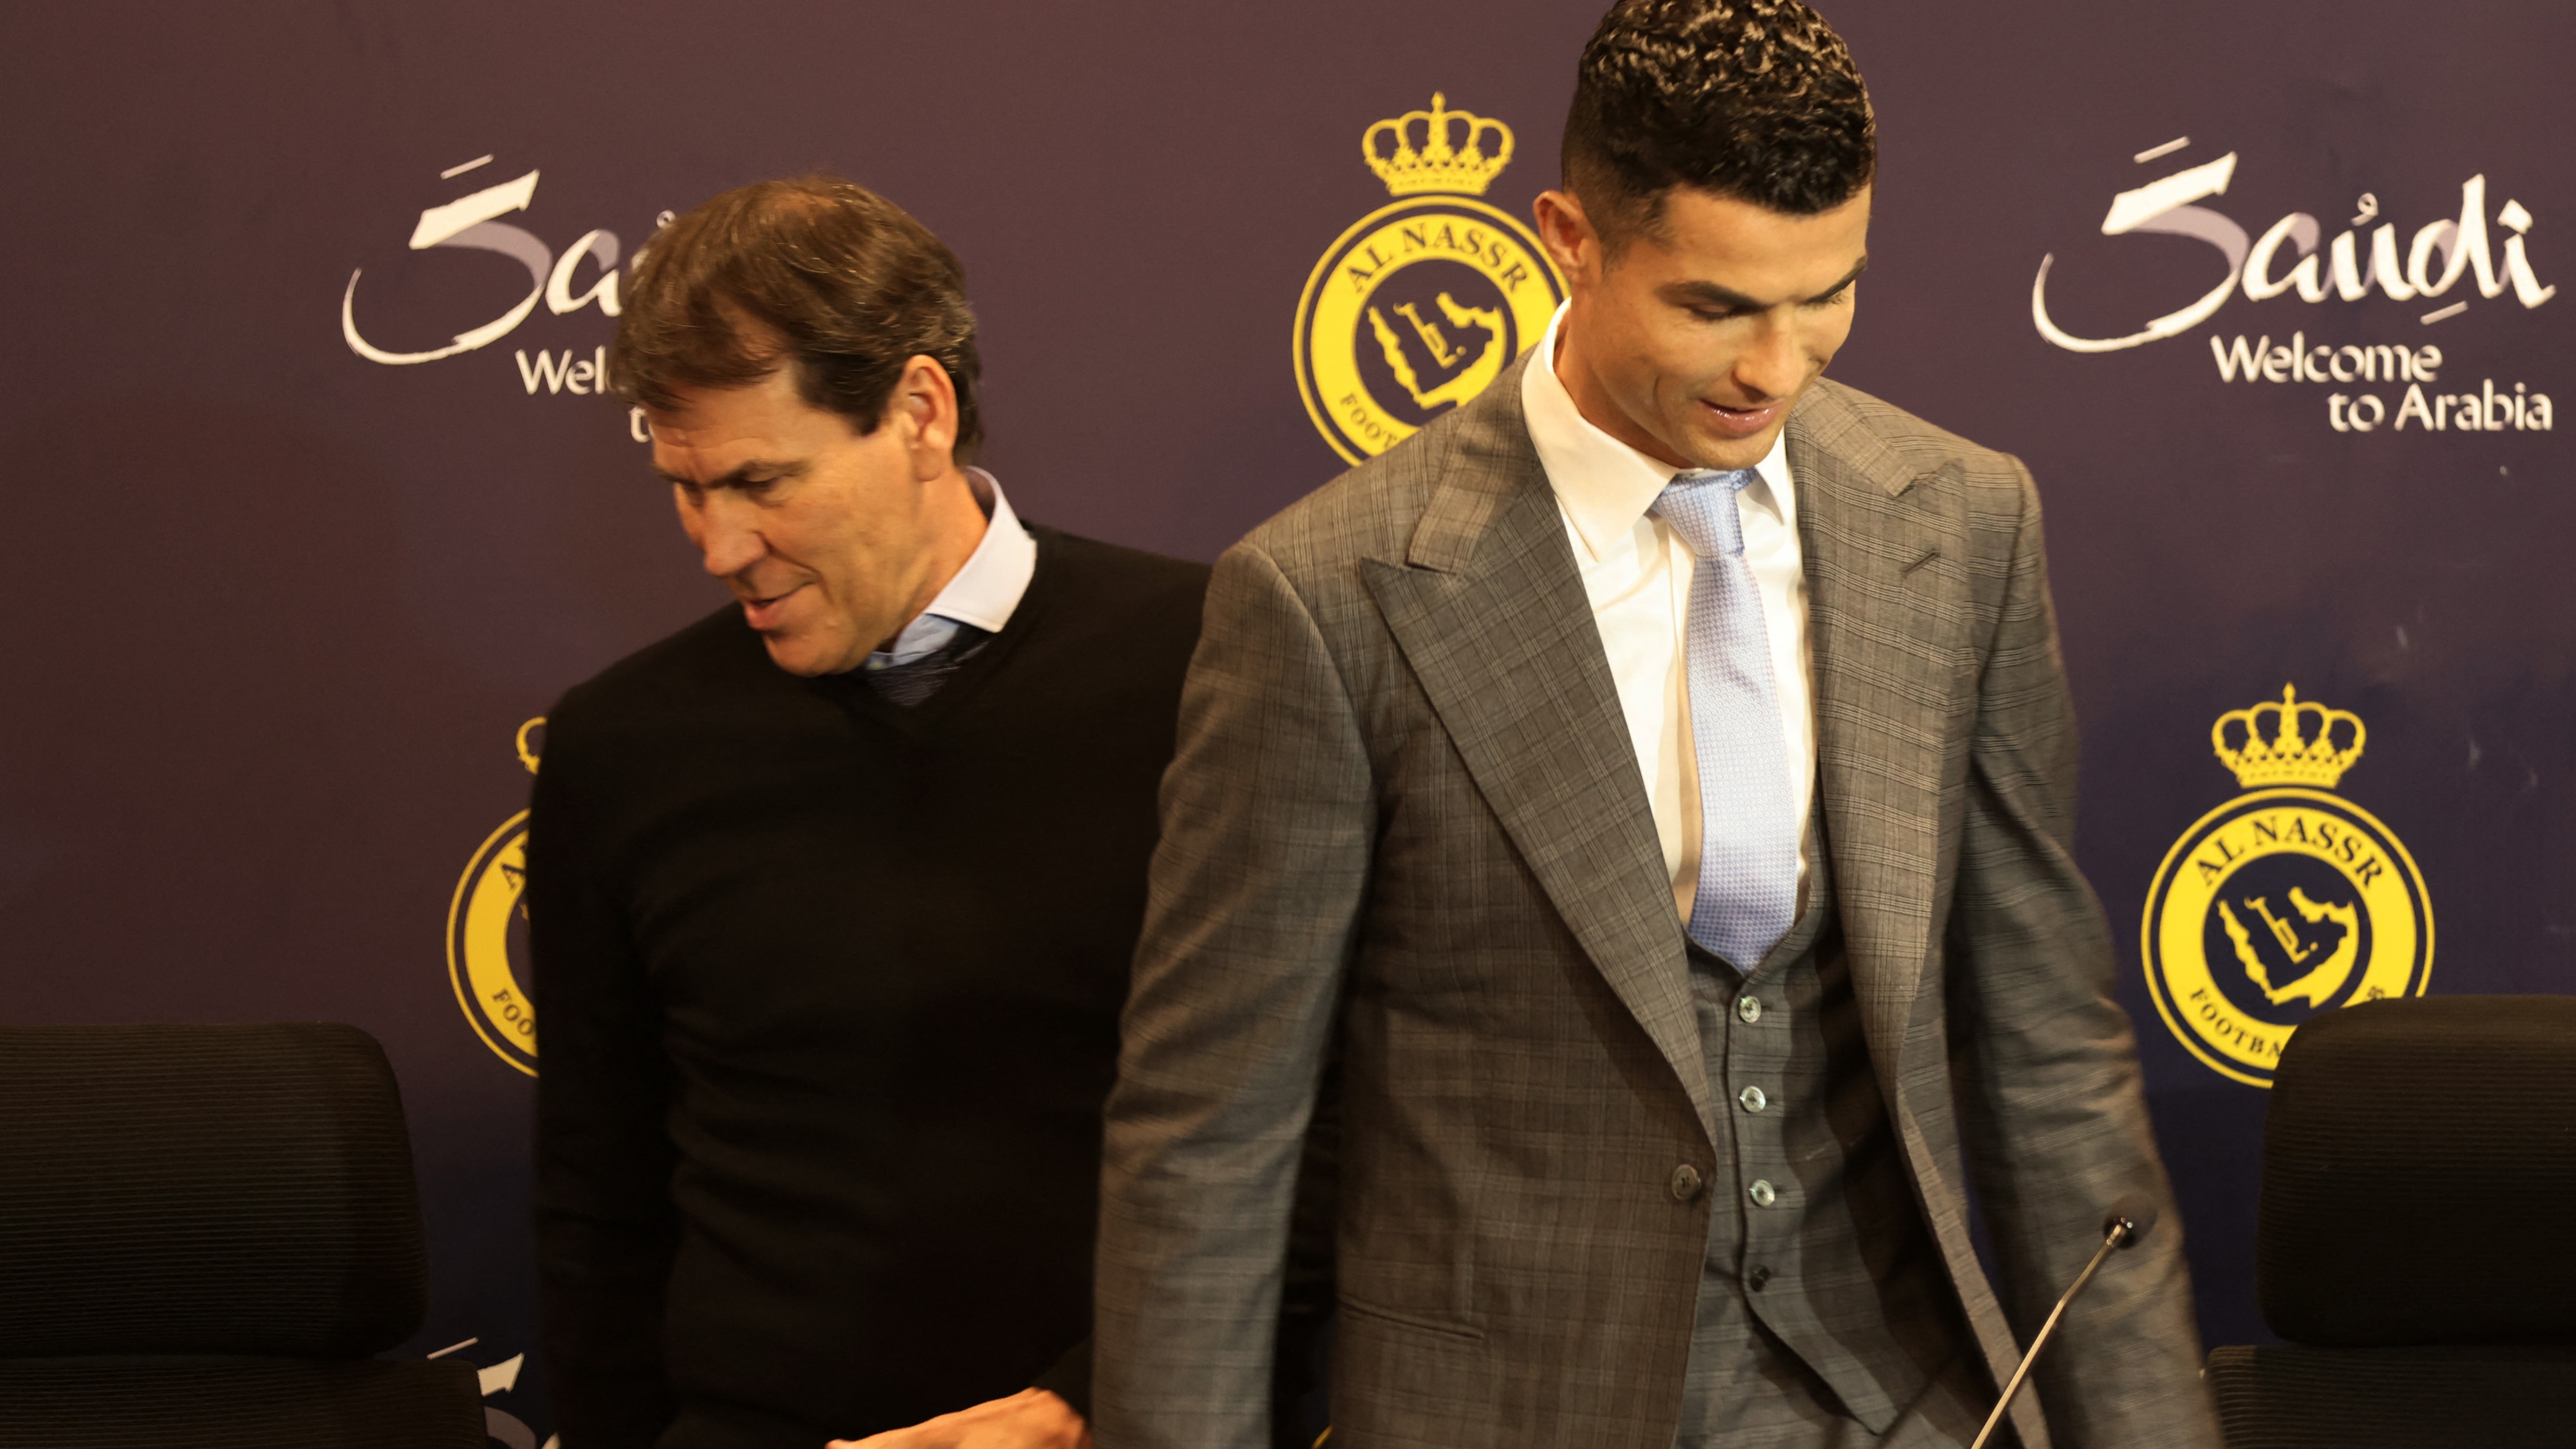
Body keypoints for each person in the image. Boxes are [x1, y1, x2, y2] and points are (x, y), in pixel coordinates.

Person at [1092, 4, 2221, 1448]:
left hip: (1896, 1399)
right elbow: (1215, 1133)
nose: (1778, 367)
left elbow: (2048, 1050)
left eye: (1828, 295)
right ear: (1570, 239)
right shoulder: (1326, 598)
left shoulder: (1961, 522)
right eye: (1714, 306)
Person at [529, 175, 1236, 1449]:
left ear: (920, 412)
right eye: (688, 487)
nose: (719, 547)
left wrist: (1089, 1401)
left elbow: (1313, 1121)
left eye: (763, 481)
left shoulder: (1216, 670)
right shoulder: (619, 746)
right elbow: (600, 1196)